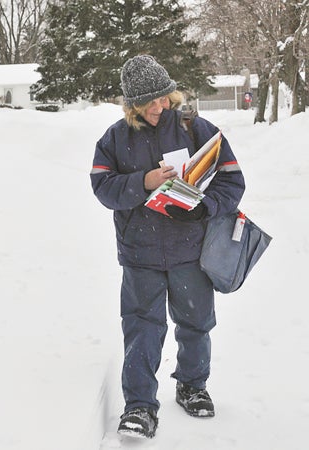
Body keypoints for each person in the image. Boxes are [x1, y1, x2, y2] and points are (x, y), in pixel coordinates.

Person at [90, 55, 245, 439]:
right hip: (139, 251)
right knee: (142, 326)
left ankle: (192, 386)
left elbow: (232, 181)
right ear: (132, 105)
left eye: (163, 97)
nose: (159, 107)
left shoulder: (196, 128)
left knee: (195, 321)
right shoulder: (114, 138)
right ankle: (140, 407)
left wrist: (205, 207)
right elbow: (102, 187)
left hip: (191, 249)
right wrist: (143, 182)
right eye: (149, 101)